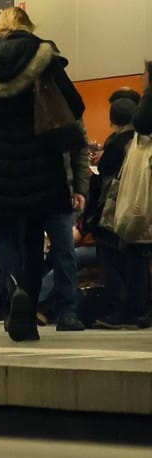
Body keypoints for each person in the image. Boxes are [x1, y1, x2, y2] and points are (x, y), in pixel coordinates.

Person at [0, 5, 88, 342]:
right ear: (27, 27)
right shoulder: (44, 54)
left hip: (1, 163)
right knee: (35, 239)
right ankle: (30, 307)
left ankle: (16, 292)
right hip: (42, 161)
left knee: (7, 237)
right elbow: (75, 105)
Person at [87, 89, 152, 330]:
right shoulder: (140, 140)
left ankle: (122, 308)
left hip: (119, 211)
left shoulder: (116, 143)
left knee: (114, 259)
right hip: (139, 209)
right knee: (137, 261)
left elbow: (103, 177)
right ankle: (138, 309)